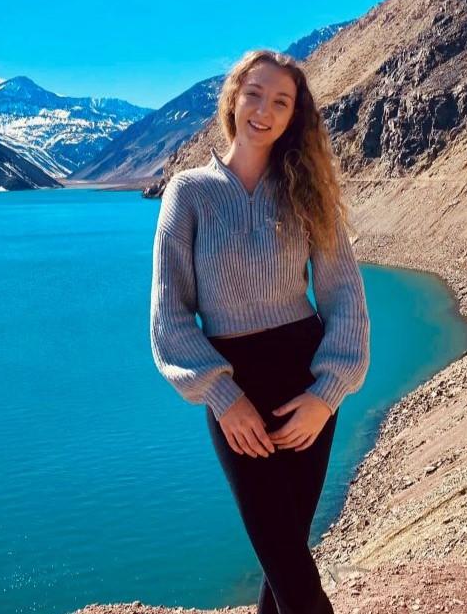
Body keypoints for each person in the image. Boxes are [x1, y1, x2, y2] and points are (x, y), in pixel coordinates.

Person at [149, 49, 370, 614]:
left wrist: (326, 394)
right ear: (233, 99)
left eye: (281, 102)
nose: (264, 111)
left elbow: (344, 297)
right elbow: (170, 315)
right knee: (284, 556)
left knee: (285, 556)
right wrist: (223, 397)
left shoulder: (306, 192)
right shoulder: (188, 193)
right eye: (254, 94)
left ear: (294, 116)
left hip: (305, 382)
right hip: (235, 387)